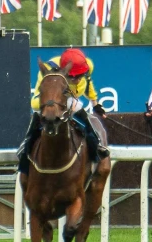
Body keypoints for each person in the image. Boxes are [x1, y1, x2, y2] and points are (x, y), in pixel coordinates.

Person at [17, 47, 108, 180]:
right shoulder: (48, 68)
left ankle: (97, 147)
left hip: (69, 99)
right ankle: (25, 149)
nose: (77, 80)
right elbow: (37, 98)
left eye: (80, 76)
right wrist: (51, 105)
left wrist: (95, 104)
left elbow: (88, 84)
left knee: (84, 115)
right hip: (48, 102)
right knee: (37, 118)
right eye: (73, 76)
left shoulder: (88, 66)